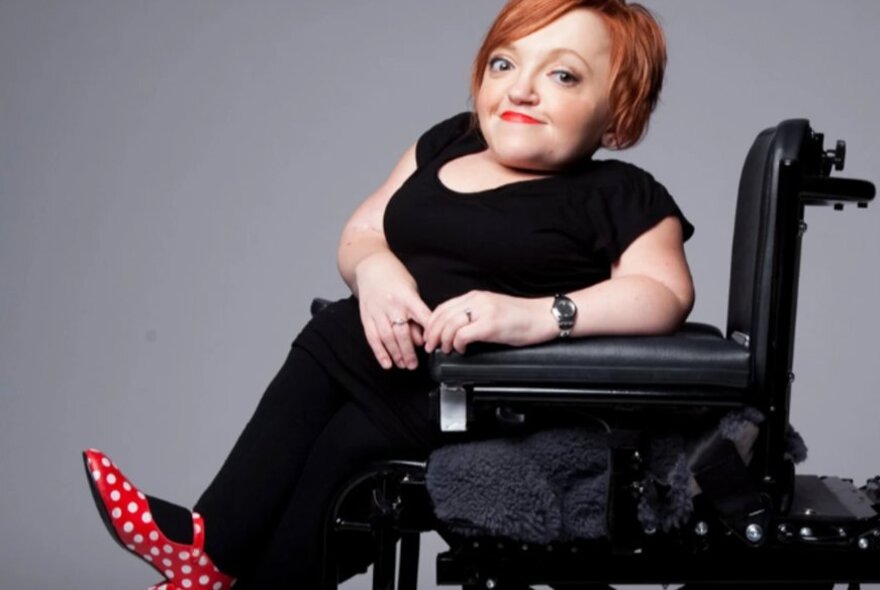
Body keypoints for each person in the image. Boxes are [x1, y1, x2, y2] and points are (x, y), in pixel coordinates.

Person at [83, 0, 695, 588]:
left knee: (338, 347)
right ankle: (237, 570)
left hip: (494, 395)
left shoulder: (621, 193)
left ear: (619, 117)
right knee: (345, 437)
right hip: (395, 378)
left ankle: (210, 548)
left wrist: (536, 316)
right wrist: (375, 269)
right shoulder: (447, 143)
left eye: (562, 75)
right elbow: (363, 230)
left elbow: (664, 293)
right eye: (503, 64)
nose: (522, 88)